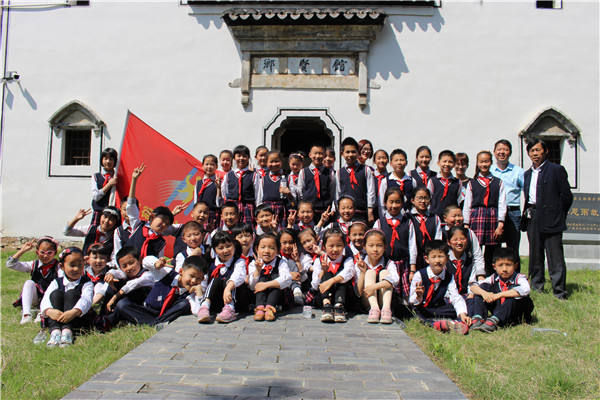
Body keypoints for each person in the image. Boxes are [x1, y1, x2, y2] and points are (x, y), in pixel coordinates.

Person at [522, 138, 572, 300]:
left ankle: (559, 291)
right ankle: (536, 286)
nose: (535, 154)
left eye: (538, 150)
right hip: (533, 217)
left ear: (546, 151)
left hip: (552, 218)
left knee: (555, 256)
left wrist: (559, 214)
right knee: (535, 255)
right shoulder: (528, 174)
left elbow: (566, 196)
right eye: (532, 151)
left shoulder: (556, 170)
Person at [116, 255, 206, 326]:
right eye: (191, 276)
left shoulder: (191, 294)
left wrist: (199, 295)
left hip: (166, 315)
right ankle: (155, 323)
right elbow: (145, 261)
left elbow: (197, 312)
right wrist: (156, 263)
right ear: (181, 271)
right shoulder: (166, 273)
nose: (194, 281)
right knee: (122, 304)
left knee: (184, 304)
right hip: (147, 310)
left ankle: (153, 323)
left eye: (198, 279)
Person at [409, 240, 470, 335]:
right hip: (423, 308)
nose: (437, 261)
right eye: (434, 257)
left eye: (441, 256)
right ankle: (435, 324)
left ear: (447, 258)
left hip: (437, 308)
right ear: (427, 259)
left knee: (465, 305)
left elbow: (455, 297)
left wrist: (462, 314)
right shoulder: (419, 275)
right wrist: (419, 296)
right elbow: (412, 301)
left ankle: (457, 322)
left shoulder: (449, 276)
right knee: (416, 312)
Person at [463, 151, 507, 275]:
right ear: (477, 163)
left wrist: (500, 224)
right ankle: (474, 276)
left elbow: (502, 203)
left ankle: (490, 277)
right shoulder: (472, 183)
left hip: (493, 218)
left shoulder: (498, 182)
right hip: (476, 218)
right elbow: (467, 205)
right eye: (481, 162)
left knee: (492, 251)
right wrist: (466, 224)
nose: (484, 164)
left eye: (486, 161)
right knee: (474, 249)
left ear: (491, 162)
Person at [40, 247, 94, 348]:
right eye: (72, 265)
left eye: (80, 265)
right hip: (57, 317)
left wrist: (74, 312)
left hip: (76, 318)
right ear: (62, 266)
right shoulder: (56, 282)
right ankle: (55, 332)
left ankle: (67, 333)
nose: (76, 269)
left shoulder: (87, 283)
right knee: (56, 294)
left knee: (72, 293)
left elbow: (86, 300)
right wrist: (49, 311)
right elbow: (46, 298)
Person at [470, 247, 534, 332]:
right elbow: (473, 287)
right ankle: (478, 317)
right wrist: (484, 293)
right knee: (483, 287)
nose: (504, 269)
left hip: (516, 312)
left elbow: (525, 289)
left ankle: (495, 320)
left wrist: (499, 295)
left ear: (515, 266)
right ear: (494, 267)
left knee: (512, 294)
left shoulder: (519, 277)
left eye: (508, 265)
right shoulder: (494, 277)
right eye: (500, 265)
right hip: (500, 309)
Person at [372, 187, 416, 299]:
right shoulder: (379, 223)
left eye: (398, 202)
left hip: (403, 263)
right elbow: (374, 244)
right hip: (385, 263)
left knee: (404, 298)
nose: (394, 205)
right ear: (385, 202)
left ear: (402, 203)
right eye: (391, 202)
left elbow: (412, 246)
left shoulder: (408, 222)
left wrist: (412, 269)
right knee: (387, 293)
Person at [7, 237, 61, 324]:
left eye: (49, 253)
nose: (45, 256)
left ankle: (42, 312)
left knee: (56, 284)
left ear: (55, 253)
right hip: (36, 298)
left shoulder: (59, 266)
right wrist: (23, 250)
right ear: (37, 252)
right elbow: (10, 264)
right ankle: (26, 314)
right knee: (29, 283)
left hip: (51, 299)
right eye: (42, 252)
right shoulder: (34, 264)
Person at [197, 232, 247, 323]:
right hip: (216, 301)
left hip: (236, 300)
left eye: (228, 246)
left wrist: (228, 288)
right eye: (221, 248)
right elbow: (204, 282)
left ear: (234, 246)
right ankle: (204, 306)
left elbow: (239, 275)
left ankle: (229, 308)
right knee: (215, 280)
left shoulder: (239, 261)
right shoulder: (210, 263)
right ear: (215, 250)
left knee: (229, 280)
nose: (226, 250)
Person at [354, 229, 399, 324]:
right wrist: (363, 272)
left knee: (385, 273)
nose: (375, 249)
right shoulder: (361, 263)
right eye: (371, 245)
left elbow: (394, 280)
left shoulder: (389, 263)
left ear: (385, 247)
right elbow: (358, 293)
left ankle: (386, 310)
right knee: (370, 273)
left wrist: (374, 287)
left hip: (384, 300)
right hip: (367, 302)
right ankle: (374, 309)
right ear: (364, 247)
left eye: (379, 245)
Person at [311, 228, 355, 323]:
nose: (335, 249)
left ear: (344, 246)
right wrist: (323, 271)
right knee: (326, 275)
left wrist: (332, 281)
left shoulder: (347, 260)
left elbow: (349, 272)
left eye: (339, 245)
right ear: (324, 247)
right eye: (331, 246)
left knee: (341, 279)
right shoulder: (319, 261)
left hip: (343, 297)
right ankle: (327, 305)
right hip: (323, 297)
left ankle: (339, 306)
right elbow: (315, 285)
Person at [491, 139, 525, 254]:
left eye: (505, 149)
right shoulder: (490, 171)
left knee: (513, 247)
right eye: (499, 149)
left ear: (510, 152)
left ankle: (515, 266)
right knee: (494, 247)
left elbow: (527, 192)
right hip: (494, 212)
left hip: (513, 212)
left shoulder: (518, 172)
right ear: (494, 152)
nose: (502, 152)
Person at [105, 246, 154, 325]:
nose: (129, 268)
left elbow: (134, 283)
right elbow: (116, 272)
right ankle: (105, 316)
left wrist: (114, 298)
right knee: (114, 282)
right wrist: (110, 275)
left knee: (122, 303)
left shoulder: (148, 274)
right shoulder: (126, 274)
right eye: (124, 266)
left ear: (140, 260)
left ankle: (108, 321)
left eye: (131, 263)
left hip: (148, 307)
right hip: (133, 305)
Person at [249, 233, 292, 321]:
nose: (267, 251)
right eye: (263, 247)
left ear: (278, 250)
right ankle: (260, 308)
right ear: (257, 249)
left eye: (271, 248)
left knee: (276, 277)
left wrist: (267, 285)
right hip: (258, 297)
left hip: (277, 297)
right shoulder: (253, 264)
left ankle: (270, 308)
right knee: (262, 278)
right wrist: (257, 270)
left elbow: (287, 279)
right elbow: (252, 286)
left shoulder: (281, 262)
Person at [336, 137, 376, 223]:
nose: (350, 155)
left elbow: (371, 191)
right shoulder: (339, 172)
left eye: (353, 152)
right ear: (342, 153)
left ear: (358, 152)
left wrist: (370, 210)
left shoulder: (366, 170)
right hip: (345, 213)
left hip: (361, 211)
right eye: (347, 152)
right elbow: (338, 193)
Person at [296, 142, 335, 221]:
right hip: (308, 212)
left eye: (320, 153)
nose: (317, 156)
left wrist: (332, 208)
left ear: (324, 156)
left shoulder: (330, 173)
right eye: (315, 153)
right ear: (310, 155)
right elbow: (300, 192)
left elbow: (332, 192)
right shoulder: (303, 172)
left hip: (324, 211)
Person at [221, 145, 259, 225]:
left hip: (248, 207)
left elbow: (258, 195)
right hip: (232, 207)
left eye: (244, 156)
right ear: (234, 158)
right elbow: (224, 193)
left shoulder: (254, 175)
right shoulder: (228, 175)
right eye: (238, 156)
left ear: (248, 158)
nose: (241, 158)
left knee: (247, 229)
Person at [256, 150, 289, 228]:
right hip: (267, 210)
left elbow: (293, 199)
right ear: (266, 163)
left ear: (282, 161)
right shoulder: (263, 179)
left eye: (277, 161)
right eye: (271, 162)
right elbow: (259, 199)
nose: (274, 164)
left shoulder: (288, 177)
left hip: (282, 209)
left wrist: (289, 194)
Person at [378, 149, 417, 213]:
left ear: (406, 162)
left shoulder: (412, 181)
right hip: (391, 215)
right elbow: (382, 203)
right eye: (396, 160)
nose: (399, 163)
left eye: (402, 160)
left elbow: (415, 200)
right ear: (391, 163)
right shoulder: (386, 181)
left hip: (408, 215)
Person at [195, 154, 223, 233]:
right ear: (202, 166)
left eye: (212, 164)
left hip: (213, 214)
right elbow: (195, 201)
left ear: (216, 166)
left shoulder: (219, 182)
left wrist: (218, 188)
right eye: (207, 164)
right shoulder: (199, 183)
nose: (209, 167)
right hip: (201, 214)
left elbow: (219, 203)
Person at [278, 228, 306, 305]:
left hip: (298, 285)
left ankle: (297, 293)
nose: (287, 246)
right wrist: (290, 275)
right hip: (282, 286)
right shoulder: (277, 257)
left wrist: (297, 261)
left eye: (291, 243)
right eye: (284, 243)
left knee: (292, 262)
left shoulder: (301, 256)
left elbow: (303, 278)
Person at [91, 147, 118, 225]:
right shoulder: (96, 176)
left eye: (111, 159)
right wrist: (109, 184)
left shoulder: (117, 176)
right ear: (102, 160)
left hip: (113, 214)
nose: (108, 161)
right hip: (99, 212)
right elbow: (95, 196)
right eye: (105, 159)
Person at [430, 150, 461, 219]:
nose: (447, 164)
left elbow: (459, 201)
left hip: (452, 220)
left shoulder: (458, 182)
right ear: (438, 163)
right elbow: (429, 200)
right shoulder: (432, 181)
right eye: (444, 161)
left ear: (454, 164)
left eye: (450, 162)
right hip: (435, 218)